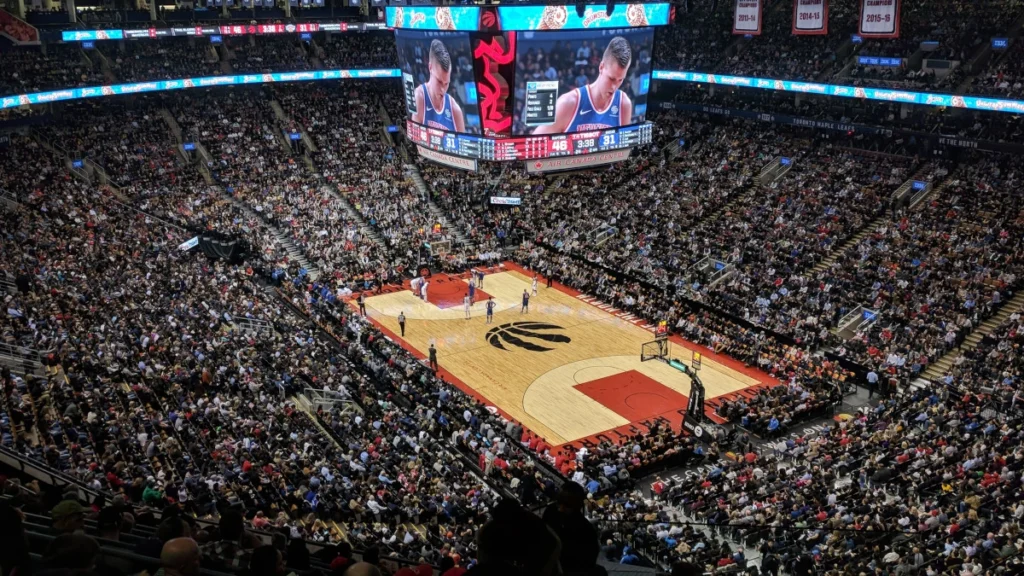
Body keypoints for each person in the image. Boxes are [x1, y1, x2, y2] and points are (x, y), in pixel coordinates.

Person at [531, 36, 634, 134]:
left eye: (620, 80)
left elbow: (624, 151)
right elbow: (532, 144)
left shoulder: (624, 105)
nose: (614, 87)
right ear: (601, 67)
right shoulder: (568, 103)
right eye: (611, 79)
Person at [542, 482, 599, 574]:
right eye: (559, 503)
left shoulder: (586, 532)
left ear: (577, 506)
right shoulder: (551, 511)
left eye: (567, 505)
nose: (561, 508)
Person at [413, 39, 466, 132]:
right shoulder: (419, 97)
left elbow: (464, 145)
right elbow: (418, 144)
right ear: (430, 67)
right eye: (439, 82)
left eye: (446, 84)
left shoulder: (455, 109)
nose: (443, 89)